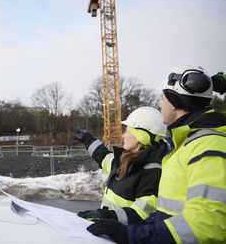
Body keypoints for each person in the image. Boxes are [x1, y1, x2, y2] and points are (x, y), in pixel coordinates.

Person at [87, 66, 226, 243]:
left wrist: (131, 236)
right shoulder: (183, 145)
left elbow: (208, 224)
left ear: (175, 102)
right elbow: (166, 214)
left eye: (162, 98)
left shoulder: (208, 145)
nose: (160, 105)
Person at [74, 106, 168, 226]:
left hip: (123, 235)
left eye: (127, 131)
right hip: (109, 229)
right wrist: (88, 139)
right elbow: (103, 156)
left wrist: (107, 216)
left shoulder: (152, 172)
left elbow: (141, 213)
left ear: (140, 138)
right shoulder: (126, 159)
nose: (123, 136)